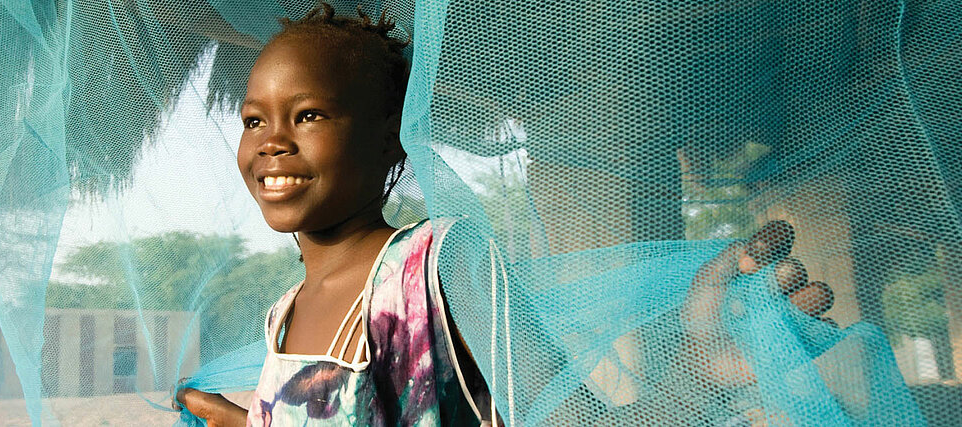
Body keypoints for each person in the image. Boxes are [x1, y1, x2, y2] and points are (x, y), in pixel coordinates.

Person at [176, 4, 836, 426]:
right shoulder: (283, 312)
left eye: (310, 113)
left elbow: (572, 424)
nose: (271, 140)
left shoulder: (436, 265)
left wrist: (694, 378)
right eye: (254, 118)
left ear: (389, 137)